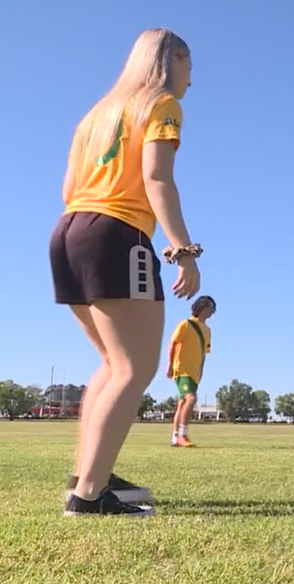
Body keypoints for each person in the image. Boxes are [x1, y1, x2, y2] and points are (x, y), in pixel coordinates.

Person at [50, 28, 202, 517]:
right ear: (171, 59)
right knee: (134, 368)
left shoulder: (93, 115)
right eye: (189, 65)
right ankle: (89, 496)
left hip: (69, 232)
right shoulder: (161, 104)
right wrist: (183, 250)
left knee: (113, 366)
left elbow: (70, 187)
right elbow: (157, 178)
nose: (190, 80)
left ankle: (91, 472)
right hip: (117, 234)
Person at [168, 295, 216, 447]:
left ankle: (175, 438)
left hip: (194, 373)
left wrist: (201, 371)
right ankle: (183, 434)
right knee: (191, 399)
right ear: (201, 307)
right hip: (182, 369)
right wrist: (170, 365)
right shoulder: (185, 324)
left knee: (182, 403)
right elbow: (172, 344)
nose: (212, 311)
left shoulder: (208, 331)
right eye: (210, 307)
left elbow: (204, 353)